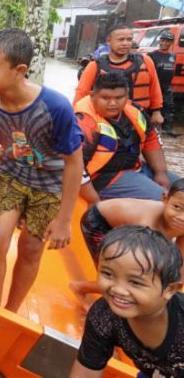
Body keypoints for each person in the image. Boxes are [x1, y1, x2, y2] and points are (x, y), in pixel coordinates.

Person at [0, 28, 84, 312]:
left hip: (50, 184)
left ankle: (12, 309)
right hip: (11, 177)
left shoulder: (55, 106)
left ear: (19, 70)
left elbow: (74, 163)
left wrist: (64, 219)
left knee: (31, 249)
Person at [70, 226, 184, 378]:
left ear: (170, 290)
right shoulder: (104, 315)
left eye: (136, 282)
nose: (118, 289)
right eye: (107, 273)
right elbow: (84, 374)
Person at [69, 179, 184, 301]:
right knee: (122, 276)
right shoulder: (147, 224)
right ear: (165, 199)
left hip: (130, 229)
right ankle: (79, 287)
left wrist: (175, 294)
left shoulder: (177, 221)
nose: (182, 218)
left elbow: (180, 263)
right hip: (98, 223)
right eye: (177, 207)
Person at [76, 72, 177, 204]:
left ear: (127, 96)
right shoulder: (83, 122)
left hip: (136, 167)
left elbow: (151, 138)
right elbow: (74, 166)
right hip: (104, 178)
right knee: (170, 202)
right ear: (92, 95)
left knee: (179, 189)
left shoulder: (135, 110)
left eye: (119, 98)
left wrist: (160, 172)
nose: (112, 103)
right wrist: (94, 201)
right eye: (105, 98)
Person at [75, 25, 164, 125]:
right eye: (121, 40)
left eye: (129, 39)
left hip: (139, 117)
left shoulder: (145, 61)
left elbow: (154, 87)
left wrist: (157, 111)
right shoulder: (95, 66)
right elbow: (81, 93)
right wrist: (77, 117)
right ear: (109, 41)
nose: (125, 43)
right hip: (105, 120)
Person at [149, 30, 178, 135]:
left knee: (169, 106)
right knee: (152, 107)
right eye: (163, 40)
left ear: (171, 43)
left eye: (168, 41)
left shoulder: (173, 55)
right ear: (160, 41)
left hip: (167, 86)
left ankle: (167, 129)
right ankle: (149, 129)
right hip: (154, 85)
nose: (165, 43)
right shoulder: (151, 55)